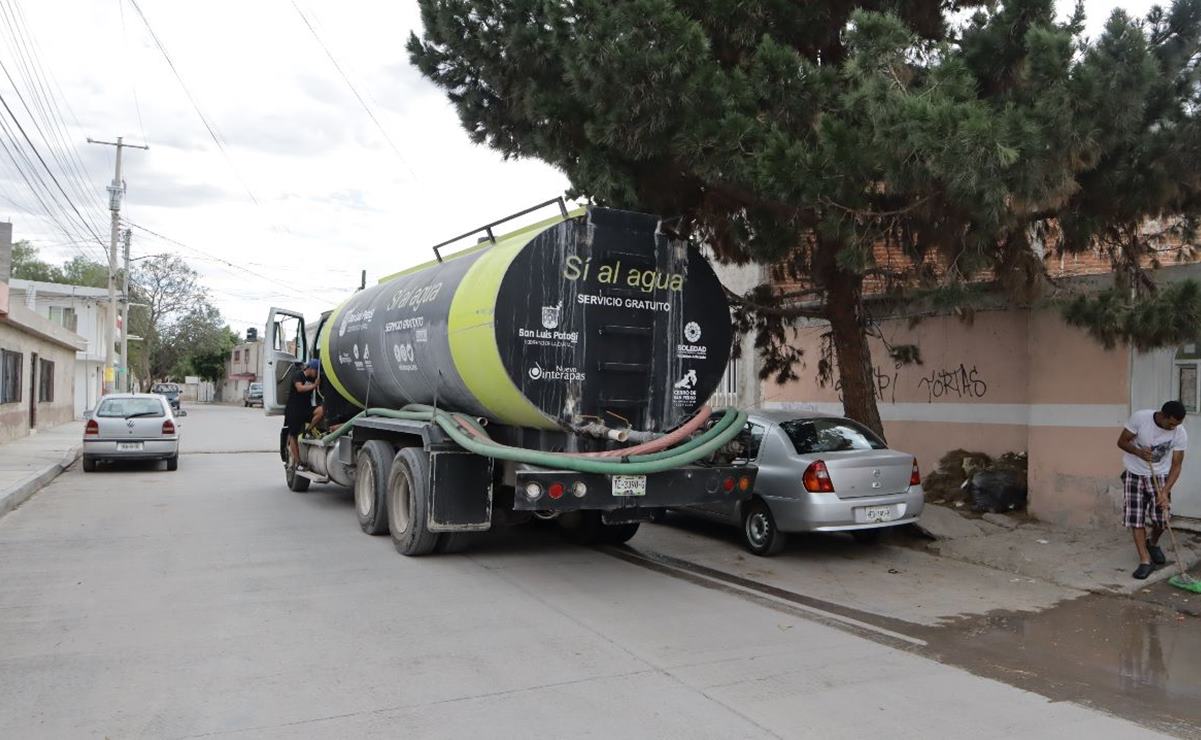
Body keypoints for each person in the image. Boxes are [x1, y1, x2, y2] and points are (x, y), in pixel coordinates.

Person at [1117, 400, 1188, 579]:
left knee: (1162, 519)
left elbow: (1177, 465)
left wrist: (1165, 491)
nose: (1173, 428)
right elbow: (1122, 442)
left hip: (1160, 476)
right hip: (1135, 474)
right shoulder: (1141, 418)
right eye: (1171, 423)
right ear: (1162, 416)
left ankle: (1153, 543)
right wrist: (1138, 452)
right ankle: (1144, 560)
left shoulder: (1179, 432)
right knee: (1136, 517)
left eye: (1177, 424)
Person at [286, 359, 324, 470]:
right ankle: (298, 463)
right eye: (316, 371)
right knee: (293, 435)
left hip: (306, 408)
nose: (317, 373)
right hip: (294, 410)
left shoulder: (312, 378)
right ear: (311, 369)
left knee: (321, 410)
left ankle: (308, 431)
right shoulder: (298, 375)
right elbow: (300, 388)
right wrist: (314, 386)